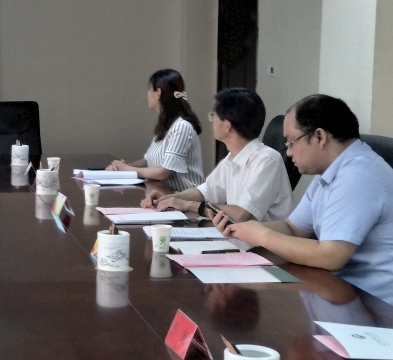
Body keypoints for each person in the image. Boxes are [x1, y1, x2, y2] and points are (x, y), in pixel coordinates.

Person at [214, 94, 393, 305]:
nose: (289, 153)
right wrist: (242, 229)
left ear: (319, 137)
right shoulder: (329, 174)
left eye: (291, 142)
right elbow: (293, 228)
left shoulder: (358, 175)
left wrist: (261, 235)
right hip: (338, 294)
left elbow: (331, 256)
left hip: (376, 309)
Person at [141, 88, 293, 222]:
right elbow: (204, 192)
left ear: (227, 126)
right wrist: (169, 198)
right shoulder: (231, 158)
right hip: (238, 239)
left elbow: (242, 214)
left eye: (213, 116)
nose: (212, 121)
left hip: (263, 245)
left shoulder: (268, 160)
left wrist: (188, 205)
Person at [107, 69, 205, 191]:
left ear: (158, 93)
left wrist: (128, 170)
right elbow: (148, 161)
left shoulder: (181, 126)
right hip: (164, 193)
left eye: (149, 90)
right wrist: (121, 166)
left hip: (185, 197)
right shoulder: (166, 125)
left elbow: (163, 172)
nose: (147, 94)